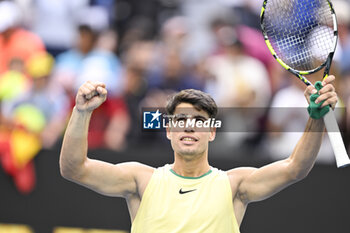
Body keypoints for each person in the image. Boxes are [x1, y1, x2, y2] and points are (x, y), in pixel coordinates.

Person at [60, 75, 338, 232]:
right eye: (180, 121)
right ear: (168, 131)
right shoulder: (140, 180)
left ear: (212, 132)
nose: (189, 127)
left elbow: (295, 168)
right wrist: (81, 112)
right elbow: (74, 168)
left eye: (199, 121)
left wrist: (316, 118)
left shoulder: (234, 185)